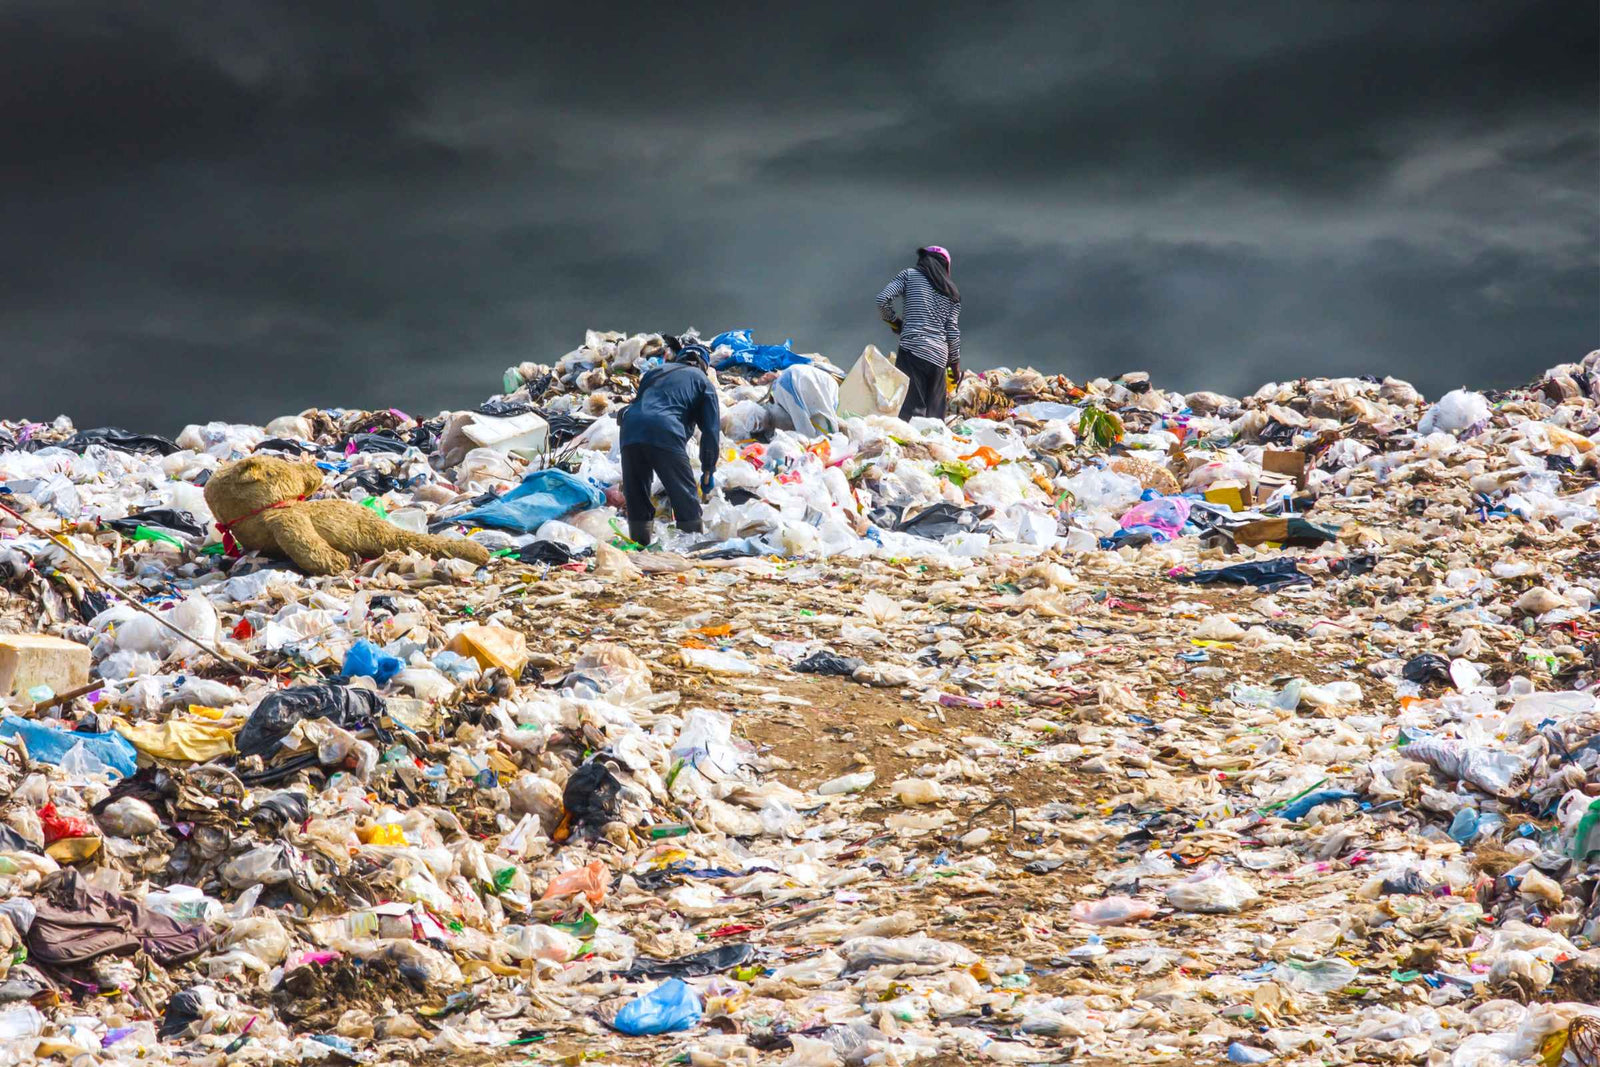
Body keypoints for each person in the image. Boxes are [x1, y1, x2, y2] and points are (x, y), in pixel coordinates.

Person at [618, 339, 721, 546]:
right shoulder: (702, 381)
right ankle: (690, 549)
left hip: (630, 429)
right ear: (703, 365)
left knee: (637, 493)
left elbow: (640, 404)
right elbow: (710, 431)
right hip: (665, 430)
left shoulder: (655, 372)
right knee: (684, 495)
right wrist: (708, 469)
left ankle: (639, 546)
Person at [876, 245, 961, 421]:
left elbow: (883, 299)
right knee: (934, 418)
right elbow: (952, 331)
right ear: (946, 266)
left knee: (910, 414)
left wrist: (895, 322)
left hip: (912, 350)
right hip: (939, 358)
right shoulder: (952, 292)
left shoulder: (909, 275)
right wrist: (954, 363)